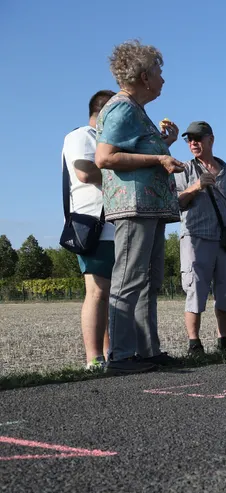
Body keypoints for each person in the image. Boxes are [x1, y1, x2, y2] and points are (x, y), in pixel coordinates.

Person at [95, 40, 185, 373]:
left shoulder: (136, 110)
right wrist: (159, 156)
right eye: (159, 72)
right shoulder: (122, 107)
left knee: (149, 279)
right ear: (145, 76)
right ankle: (119, 356)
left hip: (149, 207)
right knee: (129, 278)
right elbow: (104, 157)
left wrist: (164, 145)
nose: (163, 79)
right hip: (133, 206)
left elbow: (134, 153)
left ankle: (147, 350)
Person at [174, 121, 226, 356]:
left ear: (211, 140)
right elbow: (175, 203)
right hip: (195, 237)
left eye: (198, 138)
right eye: (189, 139)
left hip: (225, 240)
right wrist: (196, 186)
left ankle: (224, 340)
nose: (193, 143)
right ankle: (194, 343)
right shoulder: (184, 170)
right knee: (195, 289)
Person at [62, 90, 116, 370]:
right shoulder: (82, 136)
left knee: (109, 294)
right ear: (105, 113)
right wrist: (122, 171)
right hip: (92, 225)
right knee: (97, 292)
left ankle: (110, 355)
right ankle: (93, 358)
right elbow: (84, 173)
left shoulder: (105, 141)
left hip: (111, 226)